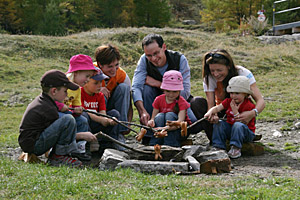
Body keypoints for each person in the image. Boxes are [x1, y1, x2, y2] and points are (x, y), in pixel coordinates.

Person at [132, 33, 197, 144]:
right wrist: (142, 111)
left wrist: (159, 84)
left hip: (176, 100)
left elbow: (185, 92)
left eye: (156, 53)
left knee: (192, 121)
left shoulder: (179, 59)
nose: (153, 58)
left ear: (164, 47)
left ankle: (175, 136)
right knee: (146, 89)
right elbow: (136, 87)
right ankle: (149, 134)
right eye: (149, 55)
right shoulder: (144, 60)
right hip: (154, 100)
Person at [190, 49, 265, 143]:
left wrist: (252, 113)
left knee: (247, 104)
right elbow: (211, 104)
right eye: (212, 70)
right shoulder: (209, 78)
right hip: (222, 109)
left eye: (219, 70)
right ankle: (216, 140)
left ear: (228, 66)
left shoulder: (243, 73)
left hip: (241, 110)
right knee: (196, 102)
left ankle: (243, 136)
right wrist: (213, 115)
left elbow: (260, 101)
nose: (216, 74)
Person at [19, 70, 83, 167]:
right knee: (68, 120)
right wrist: (82, 135)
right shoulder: (48, 108)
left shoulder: (44, 101)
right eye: (65, 91)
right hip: (35, 145)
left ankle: (58, 155)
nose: (66, 95)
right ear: (54, 91)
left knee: (66, 119)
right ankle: (59, 157)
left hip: (31, 143)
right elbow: (60, 133)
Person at [56, 54, 98, 161]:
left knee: (82, 120)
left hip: (68, 114)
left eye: (90, 77)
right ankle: (66, 147)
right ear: (76, 72)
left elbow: (76, 105)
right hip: (57, 115)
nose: (88, 80)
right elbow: (52, 101)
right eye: (87, 76)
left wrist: (78, 110)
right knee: (68, 119)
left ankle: (80, 149)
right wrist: (63, 107)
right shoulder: (61, 84)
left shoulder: (77, 89)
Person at [204, 76, 257, 158]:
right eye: (232, 93)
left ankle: (236, 147)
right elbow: (218, 107)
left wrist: (235, 111)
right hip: (231, 130)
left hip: (245, 133)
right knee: (220, 123)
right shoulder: (229, 101)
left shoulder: (248, 105)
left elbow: (241, 121)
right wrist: (210, 112)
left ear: (245, 94)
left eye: (237, 93)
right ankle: (218, 146)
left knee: (237, 125)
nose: (233, 96)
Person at [93, 44, 133, 135]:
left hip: (113, 109)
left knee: (124, 88)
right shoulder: (91, 72)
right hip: (95, 111)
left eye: (116, 65)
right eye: (110, 66)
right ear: (100, 65)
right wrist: (97, 90)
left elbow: (128, 104)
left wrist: (128, 125)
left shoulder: (122, 75)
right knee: (101, 95)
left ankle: (120, 130)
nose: (114, 70)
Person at [81, 70, 124, 152]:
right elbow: (85, 111)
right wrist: (101, 120)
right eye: (96, 83)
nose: (100, 86)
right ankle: (88, 143)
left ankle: (110, 141)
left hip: (97, 122)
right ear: (85, 82)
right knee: (83, 115)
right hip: (87, 124)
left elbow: (102, 112)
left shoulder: (100, 95)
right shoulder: (80, 92)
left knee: (114, 113)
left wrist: (108, 120)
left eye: (101, 82)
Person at [147, 70, 192, 147]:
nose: (171, 94)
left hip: (178, 130)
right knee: (160, 116)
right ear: (163, 90)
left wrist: (166, 128)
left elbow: (180, 122)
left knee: (169, 115)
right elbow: (153, 117)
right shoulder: (158, 99)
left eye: (174, 92)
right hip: (161, 129)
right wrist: (151, 122)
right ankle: (156, 143)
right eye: (168, 91)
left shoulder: (181, 102)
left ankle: (171, 144)